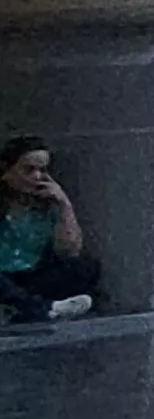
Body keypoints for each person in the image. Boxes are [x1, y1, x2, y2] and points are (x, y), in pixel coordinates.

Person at [0, 137, 97, 324]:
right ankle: (44, 309)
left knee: (82, 268)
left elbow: (69, 251)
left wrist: (64, 204)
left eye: (42, 170)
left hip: (30, 276)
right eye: (28, 170)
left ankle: (18, 309)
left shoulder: (46, 204)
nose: (37, 177)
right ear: (7, 170)